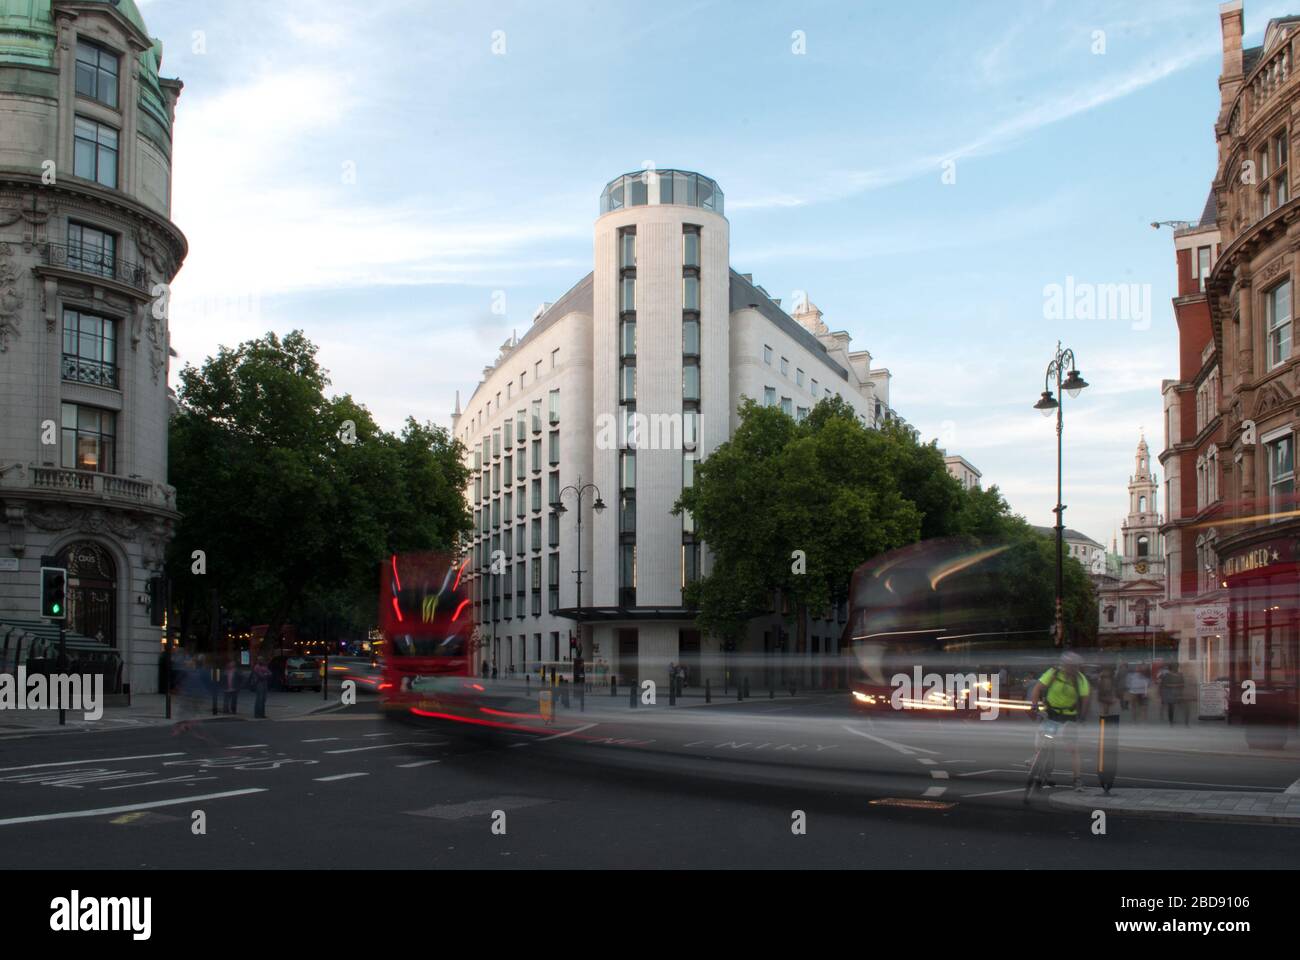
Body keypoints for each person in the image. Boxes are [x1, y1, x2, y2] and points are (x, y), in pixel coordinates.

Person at [1028, 651, 1092, 791]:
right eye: (1067, 665)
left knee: (1073, 748)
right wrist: (1034, 705)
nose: (1069, 669)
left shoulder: (1080, 679)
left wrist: (1083, 717)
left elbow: (1086, 698)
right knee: (1043, 740)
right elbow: (1037, 688)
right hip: (1052, 714)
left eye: (1072, 666)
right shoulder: (1053, 673)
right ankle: (1039, 763)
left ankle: (1077, 780)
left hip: (1069, 716)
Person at [1159, 661, 1188, 726]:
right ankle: (1171, 721)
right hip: (1170, 694)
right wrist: (1175, 686)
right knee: (1171, 707)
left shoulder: (1180, 674)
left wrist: (1179, 687)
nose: (1176, 668)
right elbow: (1165, 684)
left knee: (1183, 707)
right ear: (1171, 667)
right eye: (1174, 666)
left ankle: (1186, 721)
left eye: (1176, 666)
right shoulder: (1167, 675)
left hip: (1178, 693)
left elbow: (1183, 684)